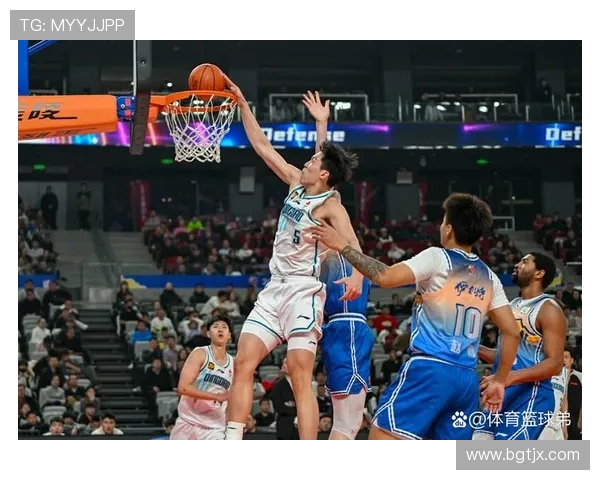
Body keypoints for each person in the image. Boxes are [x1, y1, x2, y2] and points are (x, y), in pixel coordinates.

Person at [309, 193, 520, 440]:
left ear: (449, 229)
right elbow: (511, 332)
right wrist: (499, 381)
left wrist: (342, 246)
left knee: (381, 439)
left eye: (443, 221)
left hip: (430, 370)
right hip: (465, 381)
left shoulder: (438, 257)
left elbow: (385, 277)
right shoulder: (490, 277)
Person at [223, 79, 363, 441]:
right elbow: (262, 146)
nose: (306, 161)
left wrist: (358, 276)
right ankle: (231, 439)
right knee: (243, 363)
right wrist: (243, 103)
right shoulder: (295, 183)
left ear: (324, 174)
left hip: (304, 292)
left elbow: (353, 244)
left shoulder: (331, 205)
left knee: (301, 377)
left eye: (313, 161)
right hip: (274, 290)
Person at [477, 252, 565, 440]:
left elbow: (556, 364)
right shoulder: (512, 305)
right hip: (501, 393)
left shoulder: (548, 308)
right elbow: (507, 356)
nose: (517, 264)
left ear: (539, 273)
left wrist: (509, 378)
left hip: (531, 395)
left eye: (524, 262)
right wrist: (473, 347)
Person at [320, 254, 373, 440]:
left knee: (349, 423)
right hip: (348, 330)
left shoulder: (343, 257)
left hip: (348, 332)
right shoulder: (331, 258)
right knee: (346, 424)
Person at [170, 314, 234, 440]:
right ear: (208, 334)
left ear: (229, 336)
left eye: (224, 327)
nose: (220, 329)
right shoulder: (200, 353)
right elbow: (183, 388)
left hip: (215, 427)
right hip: (188, 421)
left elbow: (231, 398)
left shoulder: (233, 364)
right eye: (215, 327)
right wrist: (216, 397)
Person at [539, 365, 569, 440]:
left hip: (557, 425)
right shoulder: (540, 367)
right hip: (542, 424)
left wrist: (564, 426)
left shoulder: (565, 372)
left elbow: (564, 401)